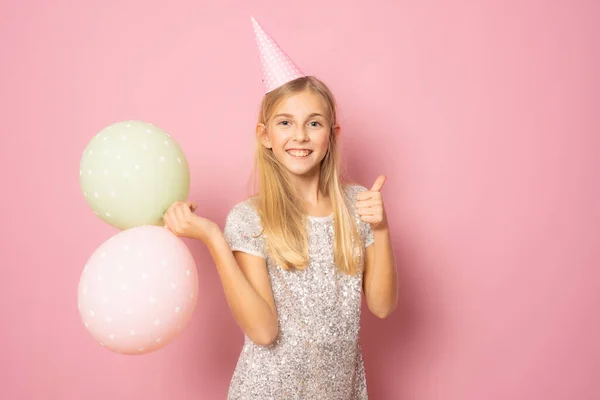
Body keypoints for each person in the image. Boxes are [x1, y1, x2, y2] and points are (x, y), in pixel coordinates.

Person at [163, 17, 397, 399]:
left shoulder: (359, 205)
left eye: (314, 123)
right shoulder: (249, 218)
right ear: (265, 135)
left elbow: (383, 307)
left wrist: (382, 229)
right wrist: (212, 238)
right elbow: (263, 331)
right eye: (285, 122)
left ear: (332, 135)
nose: (300, 136)